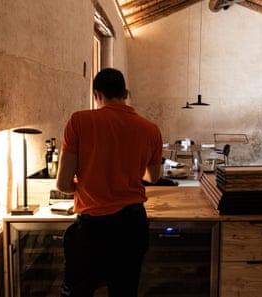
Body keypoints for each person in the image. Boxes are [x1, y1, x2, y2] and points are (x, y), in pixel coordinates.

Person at [56, 68, 163, 297]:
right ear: (125, 93)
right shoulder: (151, 129)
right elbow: (153, 177)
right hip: (132, 226)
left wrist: (87, 187)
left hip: (92, 229)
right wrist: (128, 171)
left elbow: (63, 183)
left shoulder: (79, 121)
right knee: (124, 291)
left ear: (96, 94)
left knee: (80, 291)